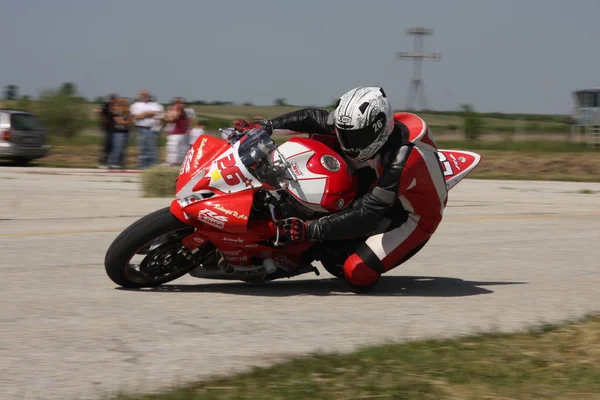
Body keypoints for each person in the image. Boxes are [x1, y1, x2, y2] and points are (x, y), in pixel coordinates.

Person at [234, 86, 447, 291]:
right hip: (375, 175)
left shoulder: (404, 161)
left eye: (356, 138)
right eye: (344, 134)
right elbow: (313, 118)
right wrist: (266, 126)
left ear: (378, 129)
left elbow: (368, 214)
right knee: (321, 136)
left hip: (410, 215)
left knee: (356, 272)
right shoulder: (358, 129)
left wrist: (310, 230)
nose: (348, 144)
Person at [130, 90, 164, 169]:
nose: (145, 96)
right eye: (142, 94)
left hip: (152, 129)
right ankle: (143, 166)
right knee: (143, 148)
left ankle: (152, 167)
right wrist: (149, 113)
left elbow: (158, 113)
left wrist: (144, 114)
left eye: (146, 95)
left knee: (152, 149)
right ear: (139, 95)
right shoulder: (135, 105)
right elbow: (137, 116)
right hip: (141, 129)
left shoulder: (155, 105)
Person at [108, 97, 132, 169]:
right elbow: (119, 121)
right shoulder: (116, 111)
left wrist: (125, 121)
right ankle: (112, 163)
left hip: (126, 132)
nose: (124, 103)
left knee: (123, 148)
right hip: (118, 132)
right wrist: (125, 121)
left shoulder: (128, 112)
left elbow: (129, 121)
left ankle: (120, 163)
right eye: (122, 102)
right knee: (117, 147)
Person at [162, 101, 189, 166]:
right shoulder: (178, 111)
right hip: (176, 134)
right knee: (174, 150)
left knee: (175, 149)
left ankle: (173, 163)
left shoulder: (179, 110)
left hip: (177, 134)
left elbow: (172, 118)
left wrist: (166, 116)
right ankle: (173, 163)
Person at [95, 94, 116, 168]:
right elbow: (99, 111)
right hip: (106, 128)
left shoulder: (116, 107)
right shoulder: (105, 105)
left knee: (112, 145)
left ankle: (109, 162)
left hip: (114, 128)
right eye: (110, 100)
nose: (111, 101)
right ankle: (102, 162)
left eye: (112, 99)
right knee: (106, 145)